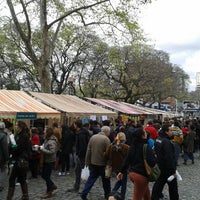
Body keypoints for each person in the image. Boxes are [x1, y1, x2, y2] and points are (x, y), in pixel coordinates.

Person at [117, 127, 156, 200]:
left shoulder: (132, 146)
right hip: (141, 175)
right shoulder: (146, 146)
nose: (146, 133)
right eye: (144, 132)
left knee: (146, 195)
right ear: (142, 135)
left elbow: (127, 160)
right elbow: (152, 162)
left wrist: (121, 171)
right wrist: (155, 157)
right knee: (137, 197)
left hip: (132, 173)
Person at [80, 126, 111, 200]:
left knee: (91, 179)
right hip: (103, 164)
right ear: (106, 132)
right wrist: (110, 164)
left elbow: (88, 151)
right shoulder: (106, 139)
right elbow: (109, 153)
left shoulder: (93, 137)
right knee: (106, 180)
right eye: (109, 132)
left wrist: (87, 162)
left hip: (93, 163)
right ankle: (107, 195)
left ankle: (84, 193)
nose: (109, 134)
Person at [151, 124, 179, 200]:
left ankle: (154, 198)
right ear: (166, 132)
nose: (172, 132)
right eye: (170, 130)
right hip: (167, 169)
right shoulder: (166, 142)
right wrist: (173, 170)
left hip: (160, 167)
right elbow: (169, 158)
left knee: (158, 186)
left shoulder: (158, 139)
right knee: (173, 189)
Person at [7, 121, 31, 200]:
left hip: (20, 160)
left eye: (17, 125)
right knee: (21, 178)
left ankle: (9, 197)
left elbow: (17, 148)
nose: (15, 127)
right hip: (18, 160)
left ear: (20, 127)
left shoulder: (23, 136)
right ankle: (25, 196)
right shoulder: (19, 135)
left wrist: (12, 146)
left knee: (12, 179)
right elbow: (14, 147)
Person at [104, 132, 129, 200]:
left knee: (120, 181)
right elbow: (129, 158)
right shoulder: (126, 147)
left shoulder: (111, 146)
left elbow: (106, 155)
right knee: (123, 182)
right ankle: (122, 196)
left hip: (115, 167)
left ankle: (112, 193)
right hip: (124, 168)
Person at [67, 119, 89, 193]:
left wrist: (79, 154)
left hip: (81, 156)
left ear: (76, 125)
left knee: (81, 172)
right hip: (82, 155)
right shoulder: (82, 132)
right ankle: (78, 187)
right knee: (78, 171)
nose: (73, 125)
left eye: (74, 124)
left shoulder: (81, 134)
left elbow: (83, 146)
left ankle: (83, 188)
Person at [37, 127, 58, 199]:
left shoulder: (52, 141)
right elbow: (45, 147)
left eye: (45, 131)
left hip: (50, 161)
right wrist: (40, 147)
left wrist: (43, 150)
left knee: (46, 176)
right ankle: (52, 185)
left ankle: (49, 192)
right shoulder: (47, 139)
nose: (43, 132)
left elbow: (52, 151)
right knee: (44, 175)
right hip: (46, 160)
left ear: (48, 133)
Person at [0, 122, 9, 192]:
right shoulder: (3, 136)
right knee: (3, 171)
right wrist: (7, 158)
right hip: (1, 158)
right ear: (3, 128)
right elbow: (5, 149)